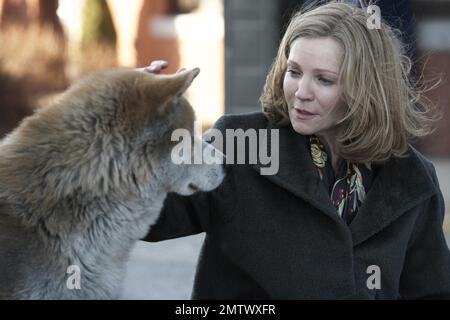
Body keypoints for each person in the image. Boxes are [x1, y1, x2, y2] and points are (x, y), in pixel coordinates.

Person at [142, 1, 450, 299]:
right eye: (294, 71)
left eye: (324, 80)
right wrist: (131, 129)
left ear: (366, 89)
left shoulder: (412, 179)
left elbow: (431, 291)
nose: (301, 93)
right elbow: (149, 218)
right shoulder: (239, 143)